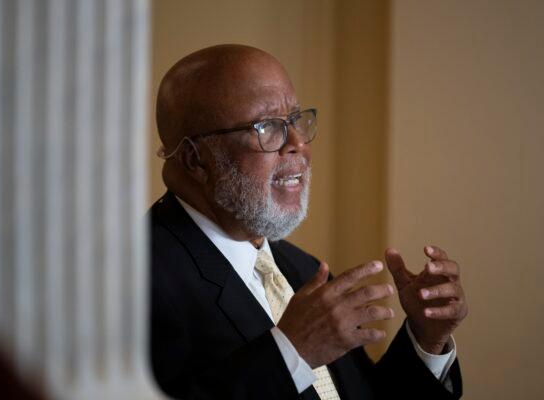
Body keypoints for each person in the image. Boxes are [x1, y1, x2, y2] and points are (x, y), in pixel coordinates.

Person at [149, 44, 468, 400]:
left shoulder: (303, 269)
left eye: (296, 120)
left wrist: (425, 339)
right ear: (197, 159)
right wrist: (290, 353)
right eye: (268, 127)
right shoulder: (129, 279)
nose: (299, 143)